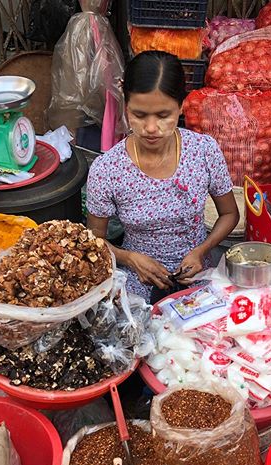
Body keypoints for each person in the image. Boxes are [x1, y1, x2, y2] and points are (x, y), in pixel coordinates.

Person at [86, 50, 239, 303]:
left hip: (197, 273)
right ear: (126, 108)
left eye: (163, 115)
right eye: (139, 115)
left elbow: (229, 214)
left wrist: (202, 250)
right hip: (138, 278)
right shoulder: (107, 169)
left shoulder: (203, 150)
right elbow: (94, 240)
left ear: (181, 106)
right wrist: (130, 259)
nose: (150, 128)